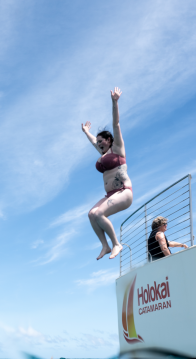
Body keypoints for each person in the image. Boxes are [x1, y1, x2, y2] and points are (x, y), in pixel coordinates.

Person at [81, 87, 133, 260]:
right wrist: (86, 132)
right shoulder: (103, 153)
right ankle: (105, 245)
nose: (98, 143)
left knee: (98, 214)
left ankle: (116, 244)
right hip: (111, 194)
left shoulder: (117, 148)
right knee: (91, 214)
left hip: (124, 192)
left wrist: (114, 102)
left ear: (109, 140)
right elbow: (92, 142)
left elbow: (116, 124)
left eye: (101, 141)